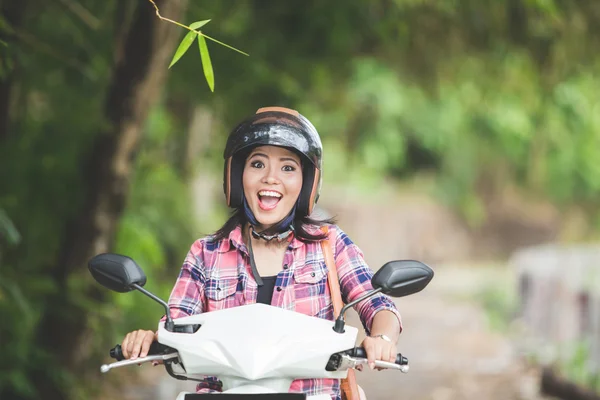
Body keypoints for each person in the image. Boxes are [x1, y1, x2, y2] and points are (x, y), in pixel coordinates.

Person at [120, 106, 402, 400]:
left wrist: (381, 338)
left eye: (288, 167)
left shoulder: (329, 245)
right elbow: (177, 327)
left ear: (307, 183)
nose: (271, 178)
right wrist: (150, 339)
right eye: (257, 164)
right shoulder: (206, 254)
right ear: (237, 176)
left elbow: (379, 305)